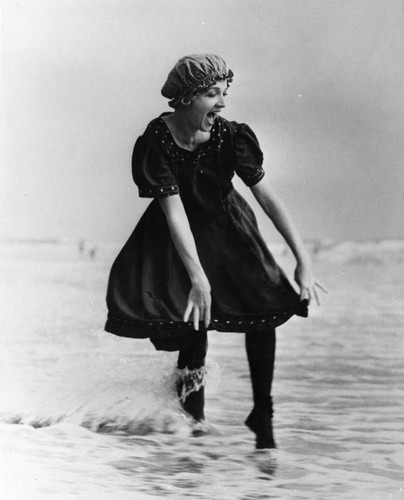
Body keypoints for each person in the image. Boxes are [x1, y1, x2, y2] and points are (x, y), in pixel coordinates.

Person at [105, 54, 325, 449]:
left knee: (265, 311)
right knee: (194, 324)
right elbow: (174, 215)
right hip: (176, 236)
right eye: (211, 94)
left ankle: (263, 414)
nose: (222, 103)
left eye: (224, 93)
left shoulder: (231, 136)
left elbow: (269, 200)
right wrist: (197, 278)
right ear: (186, 98)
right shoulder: (156, 140)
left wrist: (303, 260)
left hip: (227, 225)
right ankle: (193, 425)